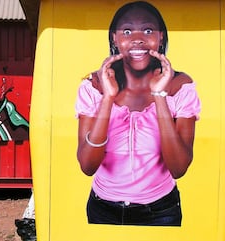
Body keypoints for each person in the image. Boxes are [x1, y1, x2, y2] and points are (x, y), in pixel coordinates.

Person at [75, 1, 201, 226]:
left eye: (148, 30)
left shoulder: (180, 86)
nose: (137, 38)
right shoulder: (94, 85)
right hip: (102, 209)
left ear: (161, 37)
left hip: (161, 210)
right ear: (114, 37)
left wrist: (159, 95)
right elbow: (87, 165)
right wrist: (108, 98)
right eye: (126, 31)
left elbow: (179, 167)